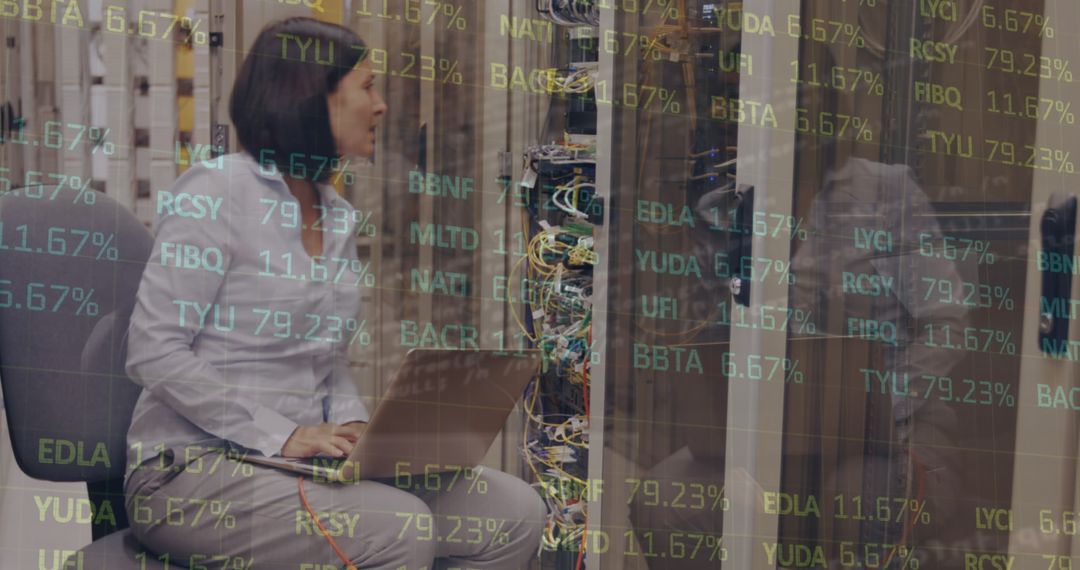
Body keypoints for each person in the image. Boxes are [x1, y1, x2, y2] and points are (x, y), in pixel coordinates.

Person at [123, 17, 545, 570]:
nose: (382, 106)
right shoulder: (217, 194)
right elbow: (153, 351)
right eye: (367, 87)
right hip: (191, 472)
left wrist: (355, 430)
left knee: (514, 512)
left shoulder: (337, 214)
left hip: (300, 466)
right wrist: (284, 434)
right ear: (311, 97)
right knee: (398, 528)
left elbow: (328, 363)